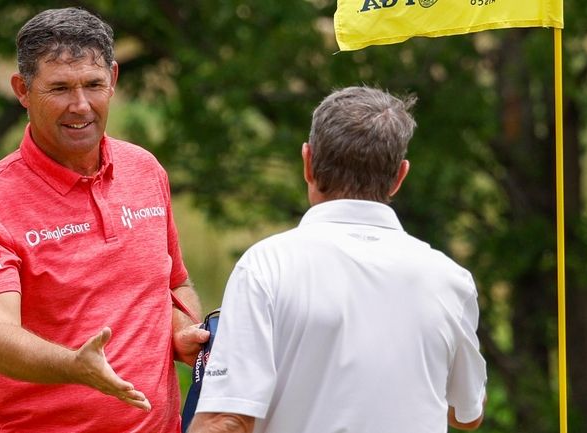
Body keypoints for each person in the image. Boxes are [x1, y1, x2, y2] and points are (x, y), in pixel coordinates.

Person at [0, 7, 208, 433]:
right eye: (60, 88)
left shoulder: (145, 170)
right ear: (22, 90)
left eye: (93, 84)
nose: (80, 105)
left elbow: (173, 284)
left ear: (114, 80)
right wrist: (74, 365)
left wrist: (180, 331)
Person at [187, 86, 487, 433]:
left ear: (307, 161)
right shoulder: (451, 280)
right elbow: (467, 413)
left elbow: (227, 421)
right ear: (399, 176)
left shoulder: (266, 266)